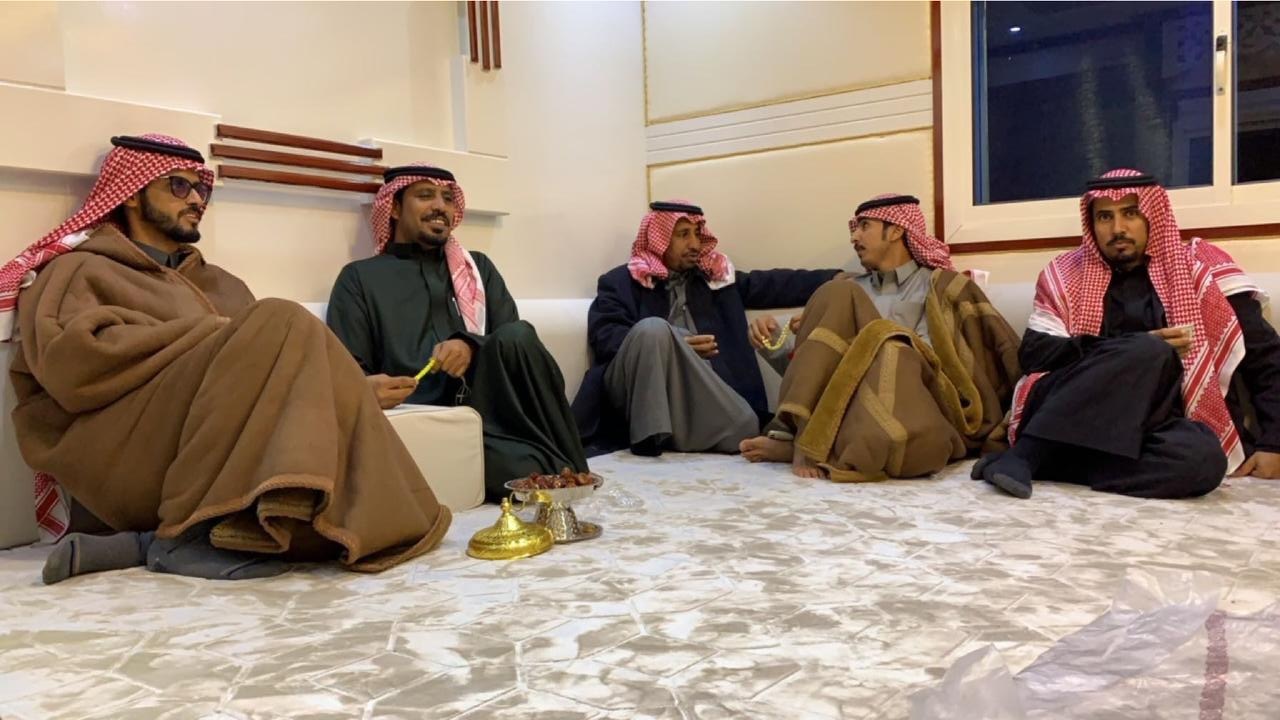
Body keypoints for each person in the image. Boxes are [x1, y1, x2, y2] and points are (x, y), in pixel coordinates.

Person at [2, 135, 451, 584]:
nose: (196, 200)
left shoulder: (221, 284)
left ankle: (157, 542)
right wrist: (212, 335)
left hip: (206, 455)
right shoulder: (81, 269)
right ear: (133, 194)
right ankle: (184, 532)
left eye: (201, 189)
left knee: (314, 499)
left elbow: (263, 372)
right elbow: (68, 367)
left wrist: (351, 388)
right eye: (179, 186)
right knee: (281, 318)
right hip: (119, 450)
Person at [975, 169, 1280, 499]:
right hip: (1066, 407)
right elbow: (1034, 354)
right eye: (1105, 216)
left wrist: (1274, 442)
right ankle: (1027, 454)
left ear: (1152, 216)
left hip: (1149, 422)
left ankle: (1045, 464)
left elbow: (1266, 358)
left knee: (1204, 461)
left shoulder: (1201, 270)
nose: (1118, 228)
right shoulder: (1064, 274)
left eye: (1131, 213)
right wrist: (1122, 348)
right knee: (1152, 351)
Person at [327, 164, 588, 500]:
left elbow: (512, 349)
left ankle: (566, 464)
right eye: (425, 196)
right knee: (528, 469)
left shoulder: (478, 269)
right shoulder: (359, 279)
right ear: (393, 208)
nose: (440, 206)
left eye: (448, 199)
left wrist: (471, 345)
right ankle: (565, 467)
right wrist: (366, 389)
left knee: (520, 335)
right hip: (431, 419)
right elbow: (346, 370)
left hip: (496, 411)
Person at [740, 194, 1021, 481]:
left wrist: (866, 337)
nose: (854, 237)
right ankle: (805, 438)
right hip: (847, 398)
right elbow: (813, 369)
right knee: (836, 291)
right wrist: (772, 341)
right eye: (854, 229)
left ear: (896, 230)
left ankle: (812, 444)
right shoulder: (848, 289)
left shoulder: (940, 286)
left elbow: (954, 359)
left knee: (889, 346)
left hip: (916, 397)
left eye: (865, 226)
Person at [573, 201, 839, 456]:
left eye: (697, 234)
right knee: (653, 330)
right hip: (635, 395)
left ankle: (675, 436)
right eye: (683, 235)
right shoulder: (621, 282)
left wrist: (835, 279)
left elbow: (773, 284)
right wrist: (674, 344)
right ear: (658, 238)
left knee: (744, 426)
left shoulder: (714, 280)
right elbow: (605, 336)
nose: (694, 244)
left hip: (694, 396)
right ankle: (648, 441)